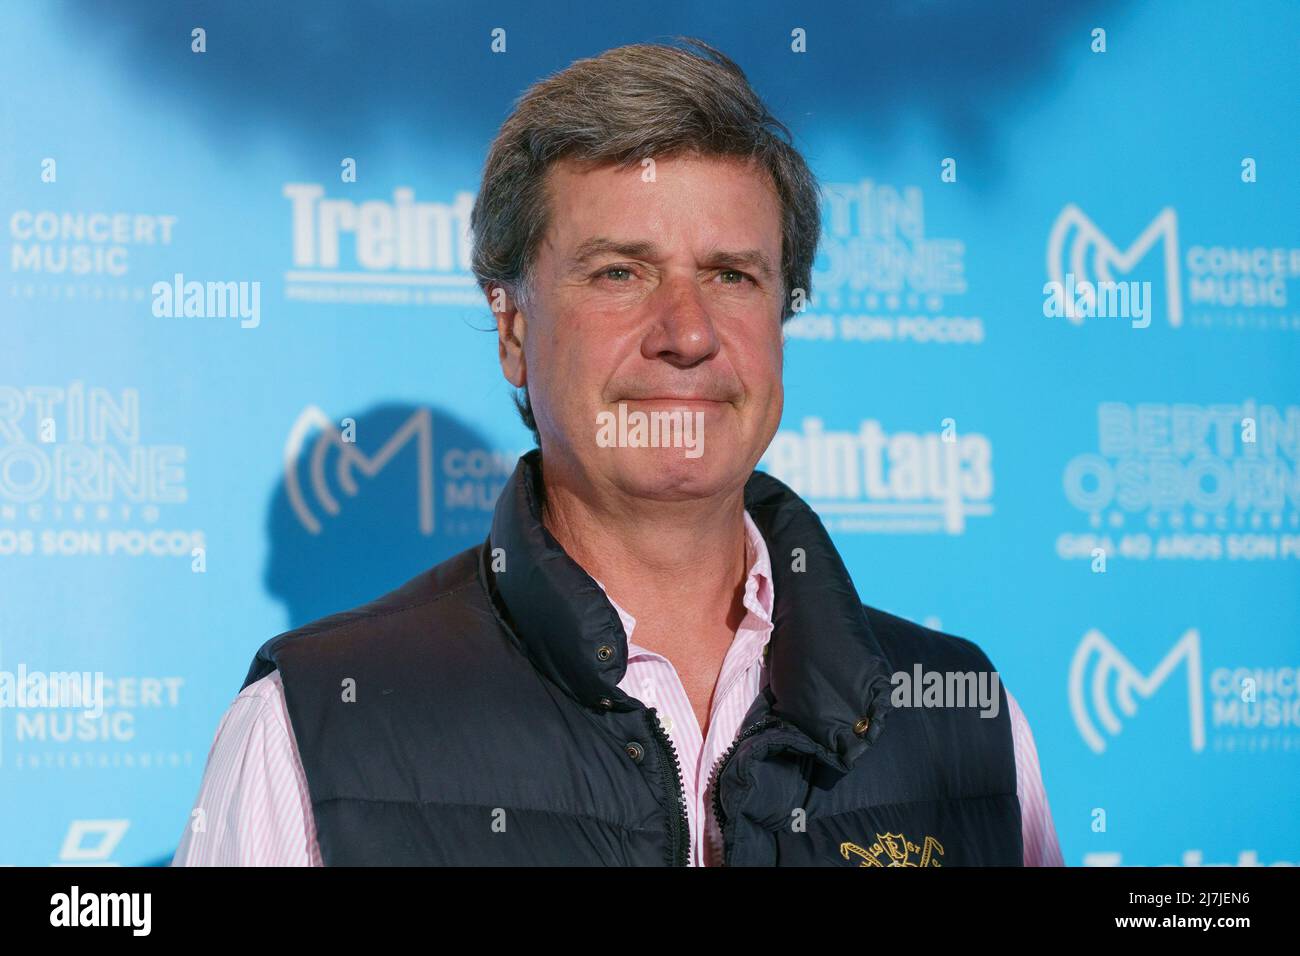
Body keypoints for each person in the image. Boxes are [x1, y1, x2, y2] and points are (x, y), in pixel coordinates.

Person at [173, 37, 1062, 867]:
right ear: (513, 329)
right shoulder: (314, 727)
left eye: (730, 275)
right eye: (619, 273)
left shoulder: (966, 723)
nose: (686, 333)